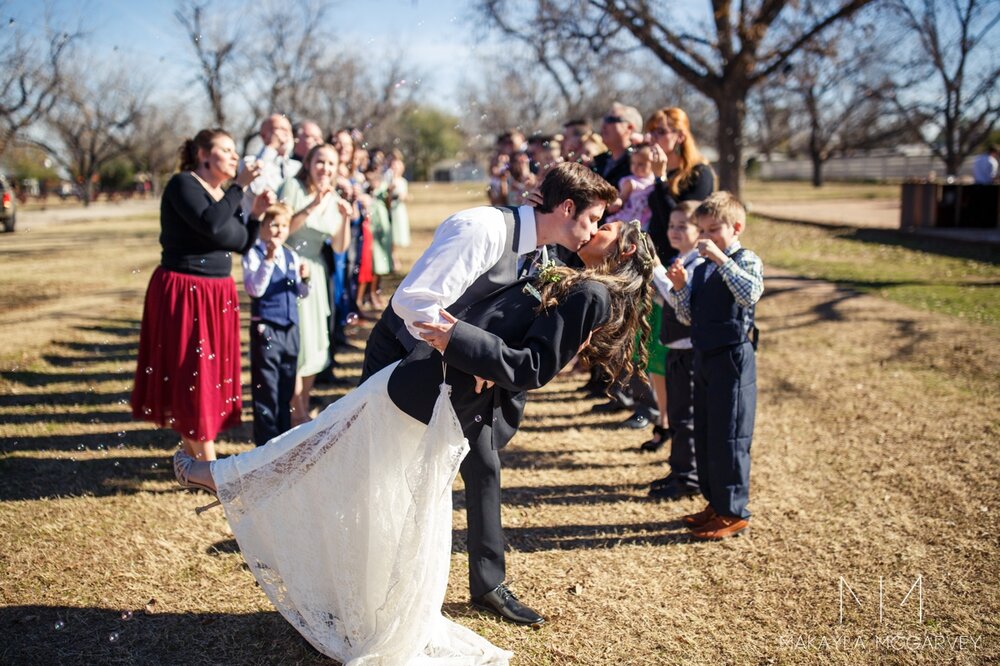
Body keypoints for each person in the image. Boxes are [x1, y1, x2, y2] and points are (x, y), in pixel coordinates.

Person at [172, 220, 654, 664]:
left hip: (434, 383)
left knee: (334, 446)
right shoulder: (570, 270)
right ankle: (347, 588)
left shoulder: (590, 291)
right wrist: (480, 355)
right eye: (596, 218)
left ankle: (226, 478)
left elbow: (533, 366)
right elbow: (516, 331)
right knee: (356, 463)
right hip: (436, 381)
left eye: (607, 226)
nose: (596, 227)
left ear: (625, 248)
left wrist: (458, 338)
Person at [360, 162, 619, 625]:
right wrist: (466, 352)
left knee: (483, 467)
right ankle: (371, 577)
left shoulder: (546, 253)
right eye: (594, 219)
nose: (595, 231)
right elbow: (414, 303)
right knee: (385, 470)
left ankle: (488, 584)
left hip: (462, 370)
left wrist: (488, 362)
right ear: (565, 207)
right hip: (405, 359)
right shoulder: (479, 228)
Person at [131, 128, 269, 463]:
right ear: (203, 155)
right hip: (186, 291)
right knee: (193, 374)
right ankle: (210, 470)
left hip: (215, 294)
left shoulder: (221, 195)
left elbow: (238, 241)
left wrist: (255, 216)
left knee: (203, 375)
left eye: (236, 150)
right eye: (226, 149)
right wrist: (238, 188)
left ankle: (193, 461)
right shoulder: (184, 185)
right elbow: (212, 226)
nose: (235, 156)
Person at [666, 192, 763, 539]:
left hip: (732, 357)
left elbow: (750, 293)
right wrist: (679, 289)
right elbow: (687, 316)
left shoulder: (743, 260)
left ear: (736, 227)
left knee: (730, 435)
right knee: (707, 432)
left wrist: (723, 259)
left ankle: (733, 509)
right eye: (702, 230)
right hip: (704, 355)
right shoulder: (704, 267)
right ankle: (715, 501)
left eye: (713, 230)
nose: (706, 238)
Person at [277, 144, 352, 425]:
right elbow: (282, 229)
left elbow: (341, 246)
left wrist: (345, 217)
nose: (326, 169)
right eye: (320, 162)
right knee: (299, 342)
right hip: (290, 269)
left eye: (331, 164)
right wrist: (312, 206)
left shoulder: (333, 197)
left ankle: (303, 405)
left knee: (316, 341)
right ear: (308, 163)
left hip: (316, 273)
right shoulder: (291, 188)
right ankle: (295, 411)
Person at [646, 200, 703, 496]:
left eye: (684, 226)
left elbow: (680, 298)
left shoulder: (696, 264)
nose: (675, 231)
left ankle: (688, 478)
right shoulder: (681, 260)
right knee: (678, 414)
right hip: (674, 348)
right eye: (671, 225)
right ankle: (678, 469)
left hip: (688, 350)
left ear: (701, 230)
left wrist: (656, 268)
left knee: (685, 416)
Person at [242, 202, 311, 447]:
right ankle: (265, 443)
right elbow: (254, 289)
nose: (278, 230)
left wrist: (305, 279)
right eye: (273, 224)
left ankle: (282, 441)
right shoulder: (254, 253)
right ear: (262, 226)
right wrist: (268, 261)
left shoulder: (291, 254)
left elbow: (301, 293)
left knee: (286, 387)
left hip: (290, 327)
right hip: (267, 327)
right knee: (266, 389)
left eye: (283, 225)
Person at [645, 107, 716, 264]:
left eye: (661, 131)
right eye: (651, 131)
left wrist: (659, 180)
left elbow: (684, 221)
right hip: (656, 257)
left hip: (683, 262)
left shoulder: (699, 173)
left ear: (680, 136)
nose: (652, 137)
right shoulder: (657, 170)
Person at [592, 101, 643, 188]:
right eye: (604, 120)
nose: (604, 125)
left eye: (611, 120)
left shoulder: (639, 163)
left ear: (629, 128)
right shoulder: (598, 162)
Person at [608, 143, 655, 229]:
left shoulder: (654, 180)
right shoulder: (631, 182)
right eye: (633, 163)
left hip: (645, 217)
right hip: (631, 215)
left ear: (652, 163)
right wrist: (617, 202)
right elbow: (622, 197)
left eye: (641, 164)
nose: (635, 167)